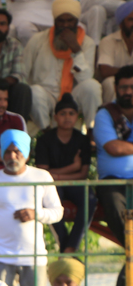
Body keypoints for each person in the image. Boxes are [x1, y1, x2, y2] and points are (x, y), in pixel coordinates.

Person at [0, 129, 63, 286]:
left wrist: (36, 214)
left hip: (34, 256)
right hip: (0, 256)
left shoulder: (42, 176)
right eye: (7, 152)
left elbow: (57, 212)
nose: (12, 156)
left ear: (27, 153)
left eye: (17, 151)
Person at [22, 0, 102, 129]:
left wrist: (76, 50)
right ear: (54, 21)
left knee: (92, 86)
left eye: (70, 21)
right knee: (34, 91)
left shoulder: (87, 43)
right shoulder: (37, 40)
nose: (65, 25)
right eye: (61, 21)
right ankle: (47, 133)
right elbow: (23, 72)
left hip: (73, 96)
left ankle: (92, 131)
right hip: (45, 95)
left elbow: (85, 78)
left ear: (76, 21)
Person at [34, 95, 95, 253]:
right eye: (63, 114)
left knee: (90, 199)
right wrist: (73, 167)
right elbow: (42, 174)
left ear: (77, 117)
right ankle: (63, 242)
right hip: (52, 185)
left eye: (71, 113)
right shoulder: (44, 140)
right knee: (48, 199)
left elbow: (83, 174)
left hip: (73, 183)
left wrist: (56, 175)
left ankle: (71, 246)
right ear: (55, 117)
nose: (67, 117)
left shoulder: (83, 140)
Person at [93, 64, 133, 286]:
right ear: (116, 88)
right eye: (124, 87)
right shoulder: (105, 114)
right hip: (113, 183)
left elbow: (121, 147)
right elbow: (113, 148)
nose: (128, 91)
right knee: (121, 220)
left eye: (132, 87)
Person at [99, 1, 133, 104]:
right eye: (131, 20)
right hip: (118, 82)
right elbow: (105, 71)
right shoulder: (108, 41)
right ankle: (114, 114)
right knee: (110, 82)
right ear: (121, 24)